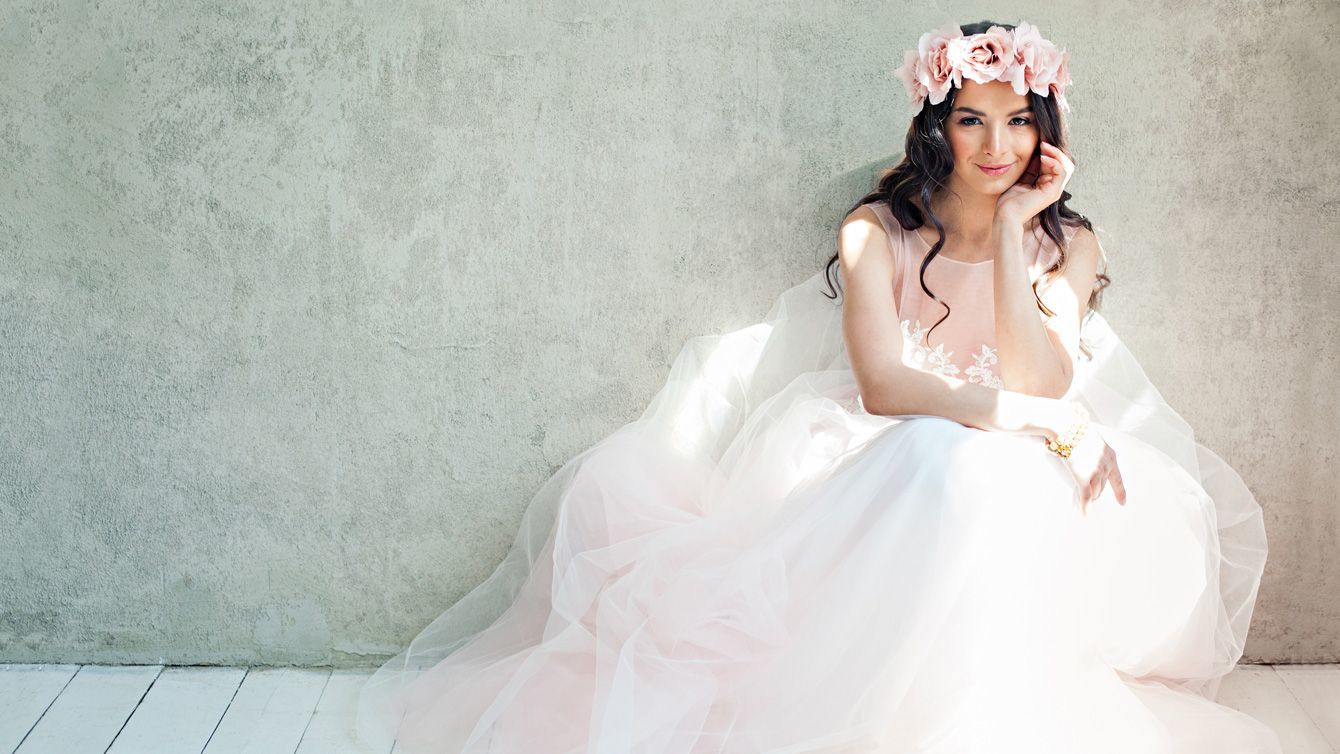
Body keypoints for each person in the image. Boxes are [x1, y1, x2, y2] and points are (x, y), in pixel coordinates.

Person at [356, 19, 1281, 754]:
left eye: (1018, 120)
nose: (997, 144)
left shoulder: (1063, 241)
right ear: (937, 126)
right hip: (896, 445)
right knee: (944, 458)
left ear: (1046, 130)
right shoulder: (877, 230)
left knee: (995, 477)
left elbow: (1041, 377)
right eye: (971, 118)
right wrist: (1033, 420)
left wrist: (1010, 236)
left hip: (1027, 458)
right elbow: (884, 386)